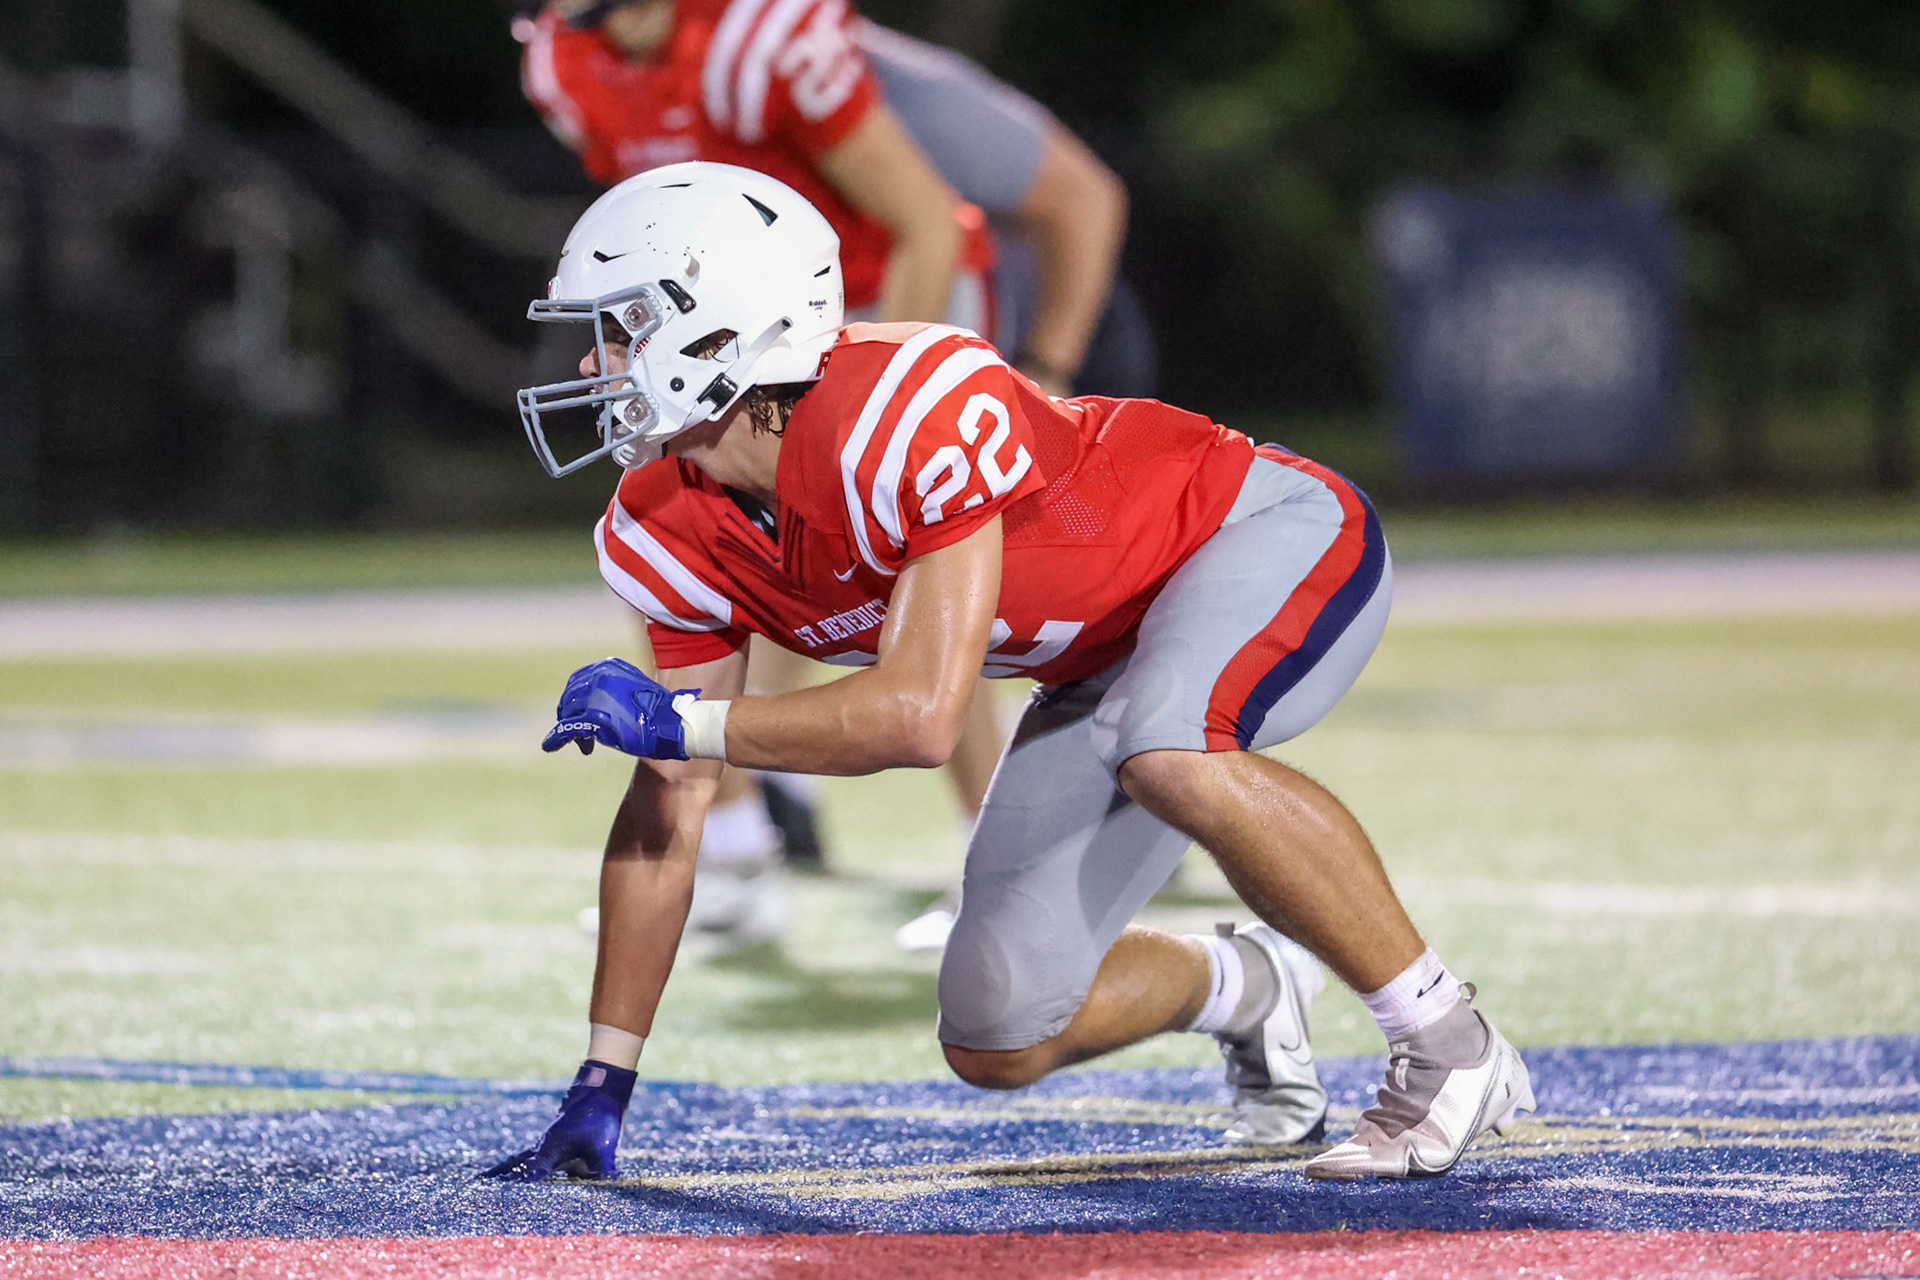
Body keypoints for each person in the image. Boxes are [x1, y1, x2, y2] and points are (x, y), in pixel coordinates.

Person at [486, 163, 1534, 1184]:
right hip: (1099, 661)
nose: (594, 366)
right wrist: (602, 1082)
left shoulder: (903, 407)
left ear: (716, 332)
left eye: (620, 330)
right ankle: (1247, 983)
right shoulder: (662, 527)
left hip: (1252, 532)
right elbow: (671, 806)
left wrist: (686, 723)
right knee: (994, 1024)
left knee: (1168, 749)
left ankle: (1450, 1042)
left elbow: (917, 717)